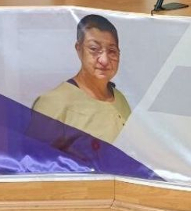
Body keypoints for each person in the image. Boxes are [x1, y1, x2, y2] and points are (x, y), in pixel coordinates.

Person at [32, 14, 131, 144]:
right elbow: (34, 155)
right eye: (94, 49)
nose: (104, 60)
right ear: (79, 49)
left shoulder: (120, 99)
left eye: (112, 51)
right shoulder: (53, 104)